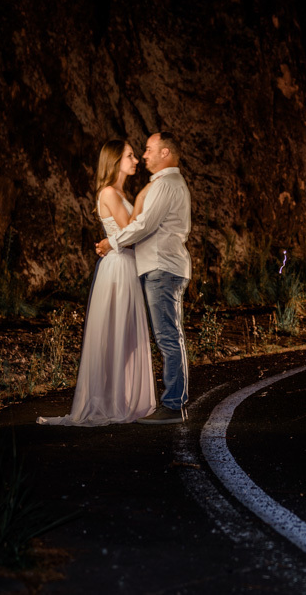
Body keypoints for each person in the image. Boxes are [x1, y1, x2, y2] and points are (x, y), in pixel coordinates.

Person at [38, 140, 156, 426]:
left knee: (126, 335)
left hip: (126, 265)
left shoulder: (120, 192)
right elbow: (131, 228)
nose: (136, 160)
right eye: (130, 156)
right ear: (115, 161)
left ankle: (119, 396)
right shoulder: (109, 192)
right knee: (115, 333)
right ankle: (108, 400)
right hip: (118, 268)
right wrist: (149, 194)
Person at [96, 131, 192, 425]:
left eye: (149, 150)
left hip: (161, 267)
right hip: (154, 267)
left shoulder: (165, 185)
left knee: (167, 336)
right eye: (136, 154)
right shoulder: (162, 185)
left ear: (165, 153)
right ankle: (154, 398)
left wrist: (112, 242)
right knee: (163, 335)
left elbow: (143, 225)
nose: (143, 156)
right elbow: (140, 222)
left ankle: (174, 403)